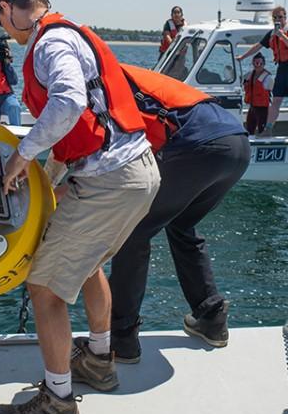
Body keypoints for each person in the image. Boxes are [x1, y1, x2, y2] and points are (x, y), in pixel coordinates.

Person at [0, 0, 161, 414]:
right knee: (86, 266)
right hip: (137, 173)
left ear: (7, 10)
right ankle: (99, 361)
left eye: (0, 20)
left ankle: (58, 402)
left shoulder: (48, 44)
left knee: (43, 290)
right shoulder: (71, 32)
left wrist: (22, 157)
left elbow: (67, 101)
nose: (3, 31)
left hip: (110, 180)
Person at [108, 72, 251, 363]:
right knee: (182, 223)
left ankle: (121, 338)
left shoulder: (105, 80)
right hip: (237, 143)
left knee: (132, 233)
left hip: (198, 144)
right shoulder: (127, 74)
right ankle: (211, 316)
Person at [237, 6, 288, 138]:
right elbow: (257, 46)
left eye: (280, 17)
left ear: (285, 17)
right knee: (276, 100)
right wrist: (242, 57)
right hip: (282, 68)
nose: (277, 20)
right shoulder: (271, 34)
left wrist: (282, 36)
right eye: (275, 17)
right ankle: (268, 129)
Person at [242, 52, 273, 134]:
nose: (258, 65)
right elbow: (239, 82)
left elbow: (273, 92)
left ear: (264, 64)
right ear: (253, 63)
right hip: (252, 107)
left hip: (263, 109)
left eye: (260, 63)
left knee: (262, 130)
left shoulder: (268, 78)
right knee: (249, 129)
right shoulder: (249, 75)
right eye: (256, 63)